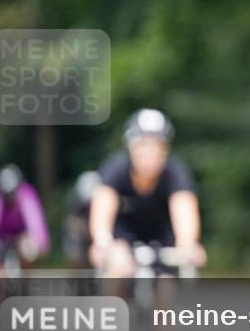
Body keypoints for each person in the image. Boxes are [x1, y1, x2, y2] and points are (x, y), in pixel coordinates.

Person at [88, 109, 206, 276]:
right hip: (122, 233)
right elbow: (103, 205)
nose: (149, 153)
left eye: (156, 145)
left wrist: (188, 244)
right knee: (116, 272)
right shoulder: (115, 169)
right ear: (130, 147)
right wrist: (102, 241)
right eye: (142, 145)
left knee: (167, 283)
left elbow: (184, 207)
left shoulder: (176, 172)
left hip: (162, 236)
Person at [0, 164, 50, 272]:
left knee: (28, 253)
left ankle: (25, 284)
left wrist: (41, 243)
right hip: (0, 238)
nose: (9, 197)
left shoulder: (27, 195)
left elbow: (36, 224)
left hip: (22, 237)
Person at [64, 170, 101, 269]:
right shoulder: (73, 200)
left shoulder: (106, 198)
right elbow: (71, 222)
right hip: (80, 230)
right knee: (75, 254)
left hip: (98, 228)